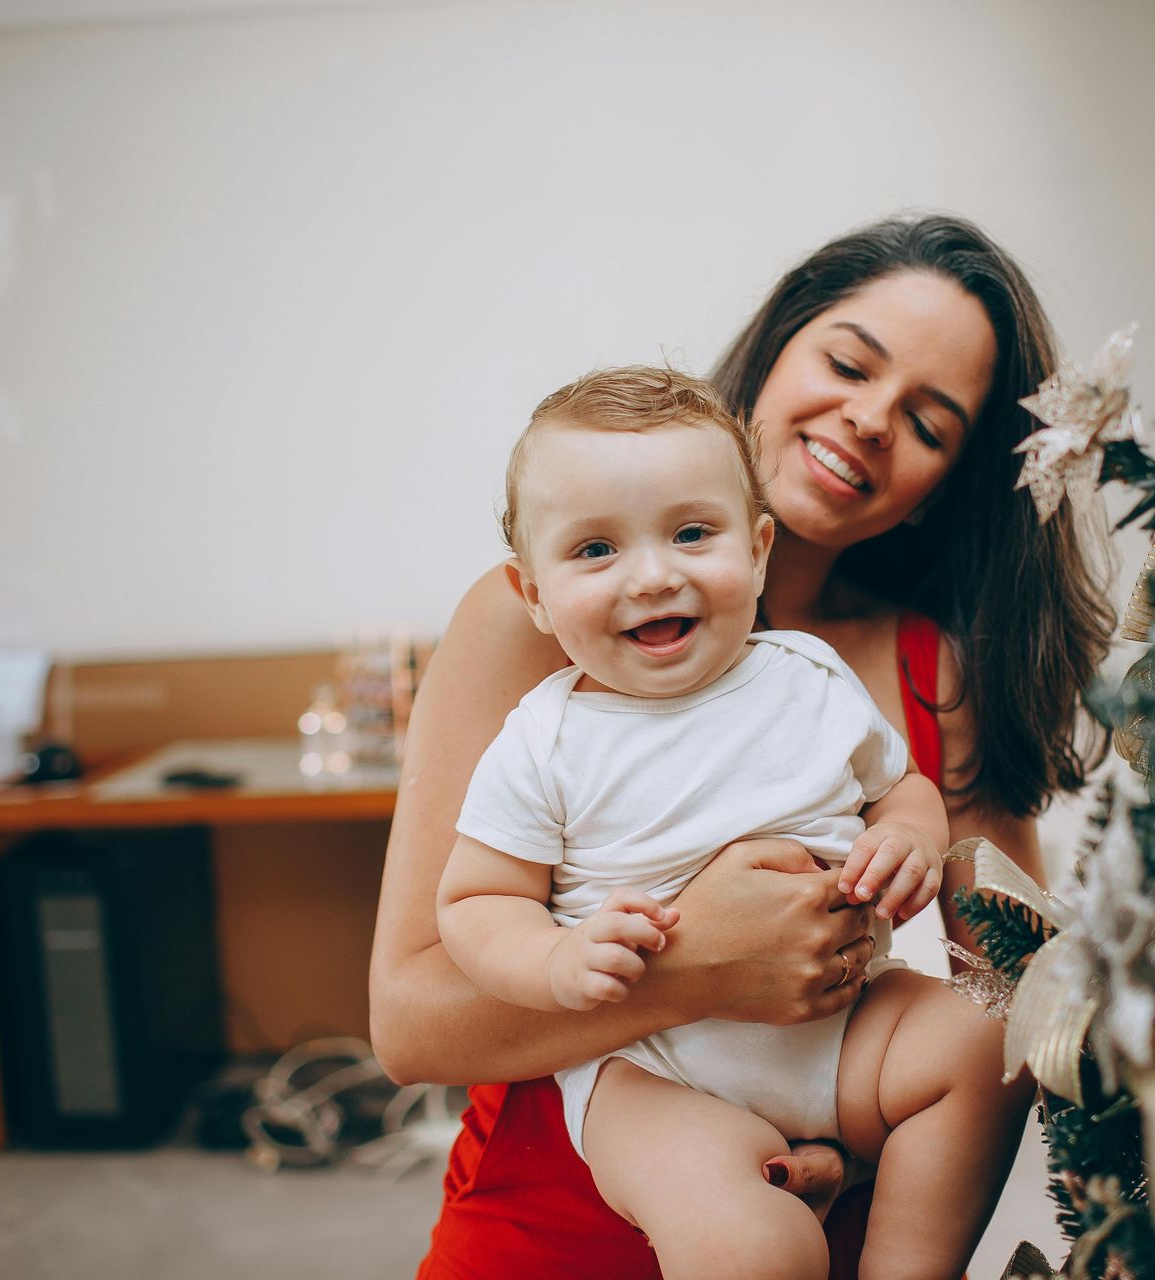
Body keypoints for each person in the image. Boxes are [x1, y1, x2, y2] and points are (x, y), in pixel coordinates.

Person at [371, 215, 1114, 1279]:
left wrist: (859, 1145)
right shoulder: (528, 634)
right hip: (554, 1215)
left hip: (826, 1216)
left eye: (930, 422)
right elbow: (408, 1027)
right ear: (774, 354)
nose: (866, 419)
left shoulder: (917, 671)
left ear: (944, 484)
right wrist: (696, 970)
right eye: (849, 363)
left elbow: (1006, 994)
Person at [438, 366, 1021, 1279]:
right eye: (595, 551)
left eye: (691, 533)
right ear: (534, 594)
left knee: (982, 1040)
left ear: (756, 550)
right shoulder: (545, 740)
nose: (654, 574)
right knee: (756, 1245)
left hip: (843, 1027)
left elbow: (901, 786)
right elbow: (476, 900)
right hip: (653, 1070)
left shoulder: (808, 676)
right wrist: (556, 960)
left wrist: (908, 838)